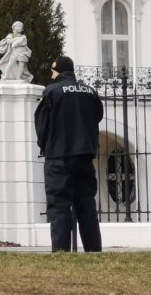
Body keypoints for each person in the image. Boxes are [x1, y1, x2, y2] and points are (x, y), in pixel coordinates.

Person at [34, 55, 103, 252]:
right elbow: (98, 116)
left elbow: (42, 124)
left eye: (52, 72)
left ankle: (61, 251)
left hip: (59, 157)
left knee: (59, 206)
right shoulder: (90, 92)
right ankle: (94, 250)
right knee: (86, 205)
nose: (51, 75)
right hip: (85, 156)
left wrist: (44, 145)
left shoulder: (52, 92)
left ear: (58, 71)